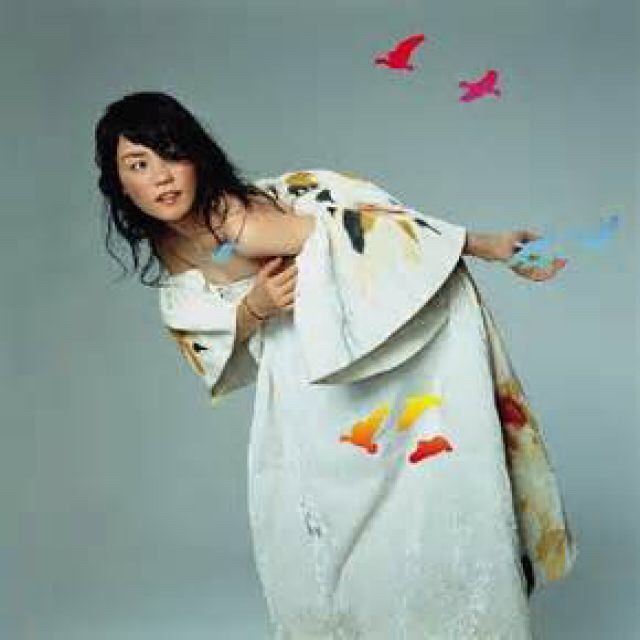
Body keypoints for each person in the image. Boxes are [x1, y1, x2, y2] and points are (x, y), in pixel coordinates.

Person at [94, 91, 576, 639]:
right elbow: (215, 328)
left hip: (380, 360)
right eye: (139, 164)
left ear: (196, 158)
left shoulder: (236, 219)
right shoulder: (167, 239)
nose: (161, 176)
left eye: (172, 154)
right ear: (119, 183)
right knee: (327, 533)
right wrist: (253, 309)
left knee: (425, 507)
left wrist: (489, 246)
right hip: (305, 384)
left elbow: (360, 236)